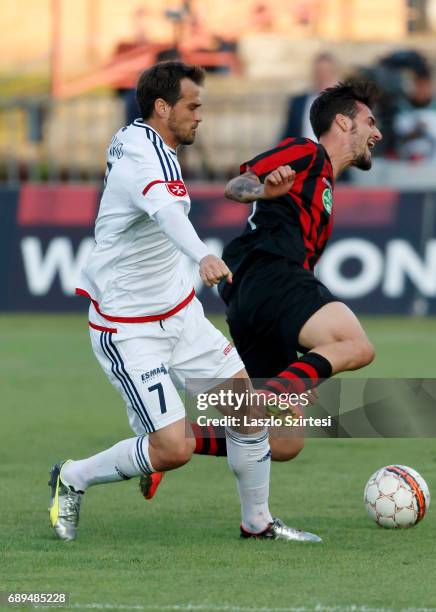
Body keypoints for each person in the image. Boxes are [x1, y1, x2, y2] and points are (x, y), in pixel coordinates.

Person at [48, 61, 320, 543]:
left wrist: (262, 191)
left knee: (247, 412)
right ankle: (73, 476)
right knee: (173, 449)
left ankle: (258, 523)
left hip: (180, 314)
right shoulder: (139, 154)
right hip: (128, 328)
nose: (200, 116)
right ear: (161, 107)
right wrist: (202, 255)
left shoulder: (155, 146)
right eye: (192, 106)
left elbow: (169, 207)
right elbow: (169, 214)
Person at [139, 80, 382, 500]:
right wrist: (265, 188)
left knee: (283, 441)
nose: (377, 133)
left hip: (251, 293)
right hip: (268, 273)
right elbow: (239, 185)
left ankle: (173, 442)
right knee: (354, 344)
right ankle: (275, 392)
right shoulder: (307, 153)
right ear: (343, 122)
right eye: (369, 121)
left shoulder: (323, 181)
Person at [281, 52, 340, 141]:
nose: (323, 76)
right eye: (319, 72)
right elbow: (288, 135)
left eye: (326, 72)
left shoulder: (343, 102)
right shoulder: (298, 103)